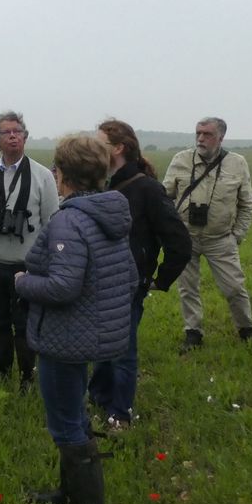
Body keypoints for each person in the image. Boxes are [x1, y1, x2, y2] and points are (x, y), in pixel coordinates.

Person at [14, 135, 136, 504]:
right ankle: (70, 496)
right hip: (92, 332)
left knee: (65, 424)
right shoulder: (110, 212)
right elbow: (127, 277)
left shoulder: (70, 220)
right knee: (75, 416)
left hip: (65, 337)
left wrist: (23, 282)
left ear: (61, 173)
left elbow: (64, 286)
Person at [88, 120, 191, 430]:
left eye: (99, 143)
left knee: (122, 348)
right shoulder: (102, 184)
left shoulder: (146, 187)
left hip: (130, 282)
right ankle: (98, 396)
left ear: (118, 148)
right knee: (101, 342)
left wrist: (160, 278)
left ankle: (120, 413)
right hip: (101, 280)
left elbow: (179, 241)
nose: (94, 149)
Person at [0, 111, 59, 390]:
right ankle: (3, 371)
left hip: (26, 263)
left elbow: (52, 221)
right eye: (6, 132)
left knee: (25, 322)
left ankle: (26, 377)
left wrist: (45, 262)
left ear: (26, 137)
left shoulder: (43, 176)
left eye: (18, 131)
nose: (13, 136)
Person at [162, 117, 252, 350]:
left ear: (221, 137)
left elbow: (247, 204)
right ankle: (193, 333)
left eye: (207, 134)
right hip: (187, 237)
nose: (201, 139)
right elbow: (164, 197)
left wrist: (237, 236)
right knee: (187, 288)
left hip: (221, 239)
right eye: (198, 133)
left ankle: (246, 329)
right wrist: (171, 231)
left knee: (234, 287)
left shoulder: (237, 163)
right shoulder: (181, 160)